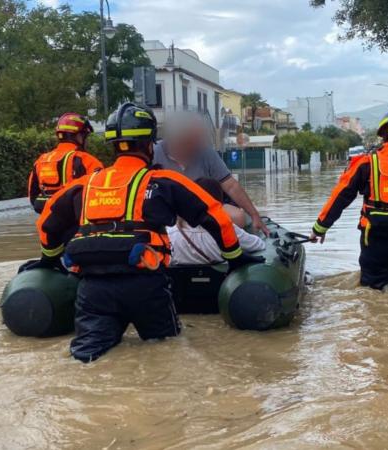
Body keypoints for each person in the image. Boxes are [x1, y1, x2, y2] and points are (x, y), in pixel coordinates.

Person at [32, 103, 263, 362]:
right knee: (165, 350)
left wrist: (48, 260)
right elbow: (216, 217)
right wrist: (235, 257)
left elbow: (47, 224)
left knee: (88, 355)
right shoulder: (164, 182)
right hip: (145, 285)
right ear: (150, 144)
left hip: (93, 288)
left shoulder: (83, 185)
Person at [309, 108, 388, 289]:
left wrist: (320, 228)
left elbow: (340, 197)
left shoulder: (364, 162)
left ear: (383, 135)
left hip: (374, 236)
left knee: (372, 290)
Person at [153, 112, 270, 235]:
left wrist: (254, 215)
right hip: (169, 210)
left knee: (238, 217)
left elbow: (230, 186)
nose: (201, 144)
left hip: (203, 209)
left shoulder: (205, 152)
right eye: (195, 140)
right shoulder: (154, 154)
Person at [167, 178, 265, 265]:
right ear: (218, 205)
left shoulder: (170, 232)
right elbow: (258, 245)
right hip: (219, 282)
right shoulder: (227, 230)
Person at [27, 112, 103, 213]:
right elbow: (100, 197)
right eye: (85, 136)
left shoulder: (41, 160)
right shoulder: (87, 161)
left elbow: (32, 195)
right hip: (77, 223)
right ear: (79, 136)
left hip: (48, 224)